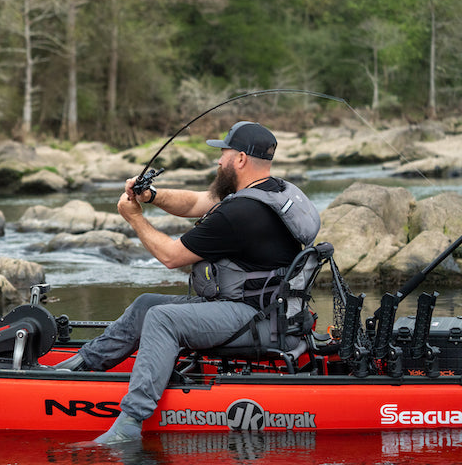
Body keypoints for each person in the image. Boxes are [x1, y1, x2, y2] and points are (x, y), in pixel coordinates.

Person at [55, 121, 321, 444]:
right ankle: (76, 367)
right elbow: (198, 202)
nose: (218, 162)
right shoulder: (272, 192)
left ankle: (129, 423)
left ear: (240, 159)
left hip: (255, 319)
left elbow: (171, 256)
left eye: (223, 154)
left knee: (162, 319)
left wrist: (135, 218)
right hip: (272, 312)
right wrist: (150, 196)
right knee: (146, 305)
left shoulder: (238, 216)